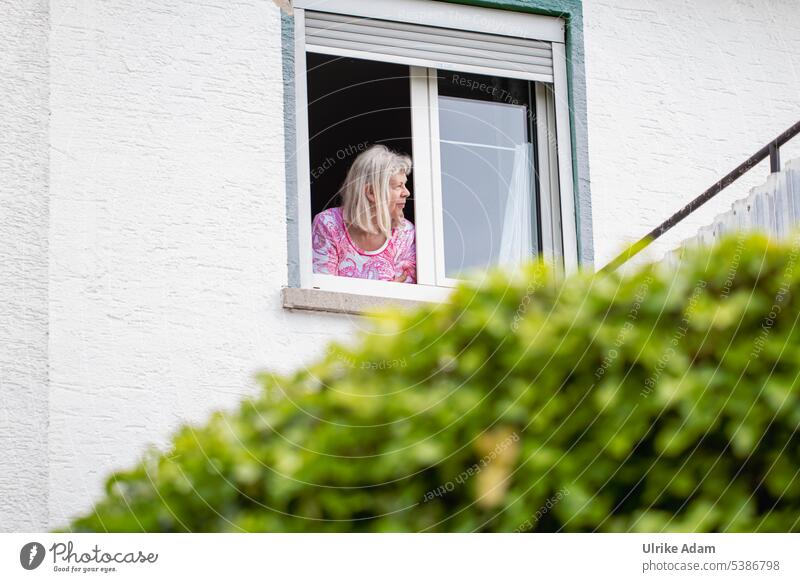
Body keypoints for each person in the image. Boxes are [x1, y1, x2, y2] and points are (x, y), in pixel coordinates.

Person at [312, 144, 416, 283]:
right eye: (398, 186)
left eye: (405, 185)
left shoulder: (405, 233)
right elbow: (324, 290)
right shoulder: (328, 224)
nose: (406, 193)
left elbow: (402, 299)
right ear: (371, 192)